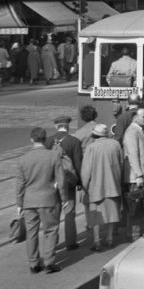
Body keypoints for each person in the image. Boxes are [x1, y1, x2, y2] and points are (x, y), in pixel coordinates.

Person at [15, 127, 67, 274]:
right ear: (45, 139)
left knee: (31, 232)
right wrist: (64, 198)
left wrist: (19, 203)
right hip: (48, 199)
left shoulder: (22, 159)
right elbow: (61, 180)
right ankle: (49, 262)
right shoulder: (53, 156)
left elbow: (20, 184)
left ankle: (34, 264)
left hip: (29, 201)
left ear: (31, 140)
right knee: (50, 230)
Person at [80, 123, 123, 251]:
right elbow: (121, 163)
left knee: (96, 215)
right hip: (113, 184)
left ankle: (97, 240)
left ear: (94, 135)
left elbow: (86, 171)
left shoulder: (91, 147)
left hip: (96, 186)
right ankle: (109, 238)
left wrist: (84, 186)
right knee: (111, 213)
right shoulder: (115, 144)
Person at [44, 115, 82, 251]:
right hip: (68, 183)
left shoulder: (47, 142)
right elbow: (78, 164)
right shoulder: (74, 141)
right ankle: (71, 243)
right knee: (70, 213)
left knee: (54, 214)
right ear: (68, 126)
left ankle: (52, 243)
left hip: (52, 183)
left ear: (56, 126)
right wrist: (79, 182)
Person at [122, 107, 144, 241]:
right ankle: (134, 235)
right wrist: (139, 175)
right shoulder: (132, 132)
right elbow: (132, 155)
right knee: (135, 207)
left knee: (141, 206)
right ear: (135, 117)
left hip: (141, 175)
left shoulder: (137, 131)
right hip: (136, 178)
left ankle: (138, 233)